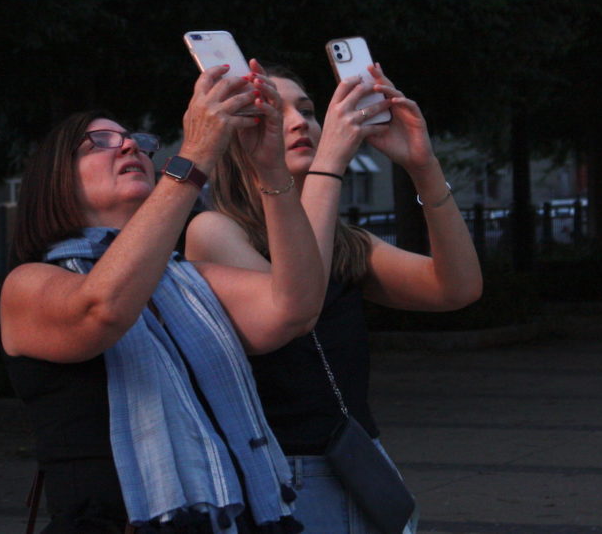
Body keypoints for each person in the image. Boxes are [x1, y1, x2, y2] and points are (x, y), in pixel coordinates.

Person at [0, 63, 327, 533]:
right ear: (55, 179)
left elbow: (295, 308)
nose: (131, 144)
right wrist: (194, 153)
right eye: (100, 142)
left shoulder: (185, 282)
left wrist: (270, 168)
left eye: (135, 139)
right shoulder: (28, 284)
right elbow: (102, 309)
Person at [185, 63, 483, 533]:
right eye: (274, 113)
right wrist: (330, 166)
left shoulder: (346, 242)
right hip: (287, 474)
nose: (300, 121)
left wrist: (423, 167)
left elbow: (457, 288)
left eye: (306, 109)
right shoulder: (214, 230)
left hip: (360, 460)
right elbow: (294, 307)